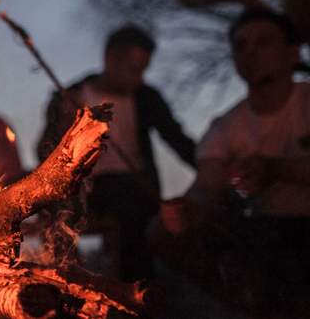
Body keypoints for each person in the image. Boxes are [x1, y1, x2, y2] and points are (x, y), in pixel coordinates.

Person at [152, 7, 310, 316]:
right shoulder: (225, 127)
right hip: (267, 233)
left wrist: (276, 169)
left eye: (263, 43)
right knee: (159, 231)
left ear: (292, 52)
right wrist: (187, 211)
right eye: (241, 47)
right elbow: (207, 186)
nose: (250, 53)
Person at [36, 24, 196, 282]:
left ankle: (139, 294)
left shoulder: (146, 98)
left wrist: (213, 166)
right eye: (134, 68)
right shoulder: (71, 96)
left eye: (143, 69)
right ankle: (64, 286)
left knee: (135, 210)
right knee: (53, 205)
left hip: (134, 189)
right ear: (110, 58)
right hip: (80, 189)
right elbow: (43, 152)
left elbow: (176, 138)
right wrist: (64, 127)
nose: (139, 77)